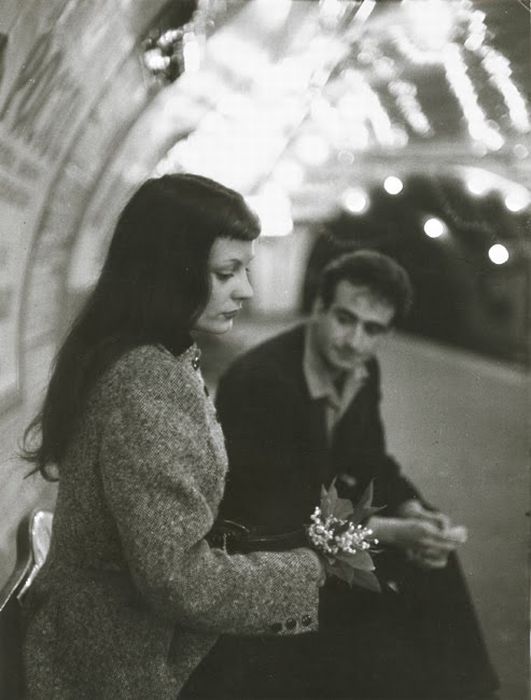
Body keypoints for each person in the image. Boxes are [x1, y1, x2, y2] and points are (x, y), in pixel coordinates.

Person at [20, 174, 326, 699]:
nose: (246, 291)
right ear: (169, 272)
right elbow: (178, 580)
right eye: (226, 273)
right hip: (120, 669)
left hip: (106, 649)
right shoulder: (146, 383)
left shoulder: (142, 355)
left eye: (245, 270)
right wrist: (304, 573)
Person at [191, 250, 499, 699]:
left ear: (387, 334)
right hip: (266, 549)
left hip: (322, 528)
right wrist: (391, 533)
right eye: (344, 318)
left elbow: (372, 464)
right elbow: (277, 514)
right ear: (318, 308)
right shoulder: (263, 381)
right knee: (389, 590)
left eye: (372, 329)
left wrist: (415, 511)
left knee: (433, 550)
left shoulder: (361, 370)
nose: (354, 340)